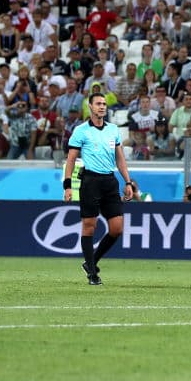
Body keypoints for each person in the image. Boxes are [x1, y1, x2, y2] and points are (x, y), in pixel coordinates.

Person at [63, 93, 138, 286]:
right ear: (90, 107)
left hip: (109, 182)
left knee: (117, 228)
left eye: (104, 104)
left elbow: (120, 158)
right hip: (90, 181)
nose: (102, 107)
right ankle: (92, 275)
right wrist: (68, 186)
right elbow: (71, 159)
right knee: (89, 226)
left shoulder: (113, 129)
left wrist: (128, 182)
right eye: (98, 104)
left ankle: (91, 262)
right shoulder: (81, 131)